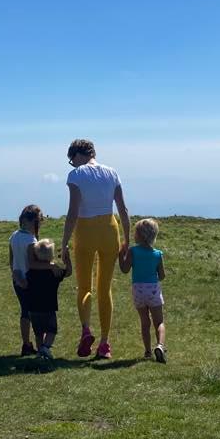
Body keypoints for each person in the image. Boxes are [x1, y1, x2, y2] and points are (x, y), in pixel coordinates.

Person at [62, 138, 130, 359]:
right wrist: (127, 240)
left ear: (77, 155)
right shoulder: (112, 173)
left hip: (85, 230)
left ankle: (85, 331)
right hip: (110, 230)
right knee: (105, 288)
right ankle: (104, 344)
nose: (72, 165)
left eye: (72, 160)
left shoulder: (76, 175)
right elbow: (123, 209)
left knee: (84, 287)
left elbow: (73, 212)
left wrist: (63, 243)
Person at [119, 218, 167, 362]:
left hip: (138, 290)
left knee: (145, 322)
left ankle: (147, 351)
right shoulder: (158, 254)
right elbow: (162, 276)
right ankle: (160, 345)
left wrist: (120, 256)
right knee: (159, 322)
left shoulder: (133, 251)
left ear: (138, 235)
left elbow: (125, 269)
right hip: (153, 290)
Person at [25, 238, 71, 359]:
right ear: (51, 256)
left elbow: (25, 282)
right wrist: (67, 259)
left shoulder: (31, 272)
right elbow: (68, 272)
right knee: (51, 331)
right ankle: (45, 348)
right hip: (49, 308)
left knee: (38, 333)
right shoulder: (54, 273)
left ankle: (41, 352)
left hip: (33, 308)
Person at [8, 204, 43, 356]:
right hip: (30, 280)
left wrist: (15, 273)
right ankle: (38, 344)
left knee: (24, 311)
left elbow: (11, 259)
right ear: (34, 221)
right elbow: (34, 262)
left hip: (17, 279)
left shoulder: (14, 236)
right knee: (34, 313)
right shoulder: (31, 240)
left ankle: (26, 343)